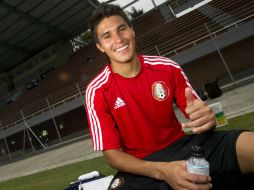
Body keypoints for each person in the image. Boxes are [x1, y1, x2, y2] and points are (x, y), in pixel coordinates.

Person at [85, 3, 254, 190]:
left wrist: (207, 120)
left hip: (183, 146)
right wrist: (163, 170)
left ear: (132, 31)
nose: (118, 39)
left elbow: (199, 117)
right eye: (107, 36)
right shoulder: (97, 91)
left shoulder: (166, 67)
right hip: (140, 167)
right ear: (100, 46)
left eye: (122, 29)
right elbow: (112, 156)